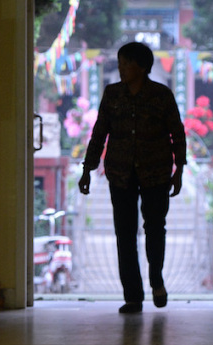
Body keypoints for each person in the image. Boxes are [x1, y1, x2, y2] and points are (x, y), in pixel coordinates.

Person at [79, 42, 187, 314]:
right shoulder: (112, 94)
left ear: (142, 66)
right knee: (124, 234)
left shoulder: (161, 95)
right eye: (120, 63)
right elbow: (99, 132)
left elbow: (178, 133)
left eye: (126, 63)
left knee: (155, 228)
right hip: (120, 173)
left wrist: (179, 170)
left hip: (157, 172)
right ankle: (133, 296)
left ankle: (157, 280)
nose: (121, 68)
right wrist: (87, 169)